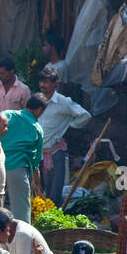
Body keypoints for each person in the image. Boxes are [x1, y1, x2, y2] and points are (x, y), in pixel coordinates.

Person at [36, 65, 91, 205]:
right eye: (41, 81)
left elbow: (85, 116)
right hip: (38, 153)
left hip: (54, 153)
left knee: (54, 193)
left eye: (47, 82)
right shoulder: (37, 100)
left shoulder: (63, 101)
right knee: (39, 191)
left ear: (55, 83)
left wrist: (69, 126)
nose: (43, 85)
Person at [0, 95, 46, 224]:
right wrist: (37, 181)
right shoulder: (37, 128)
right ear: (40, 110)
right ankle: (22, 239)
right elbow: (36, 161)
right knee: (21, 211)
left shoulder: (8, 115)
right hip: (18, 169)